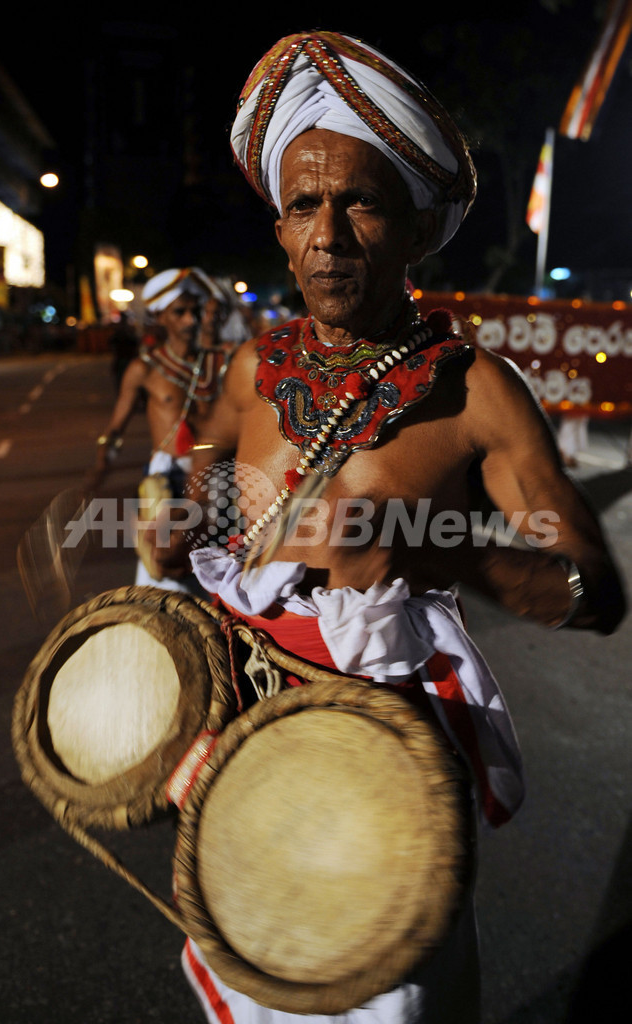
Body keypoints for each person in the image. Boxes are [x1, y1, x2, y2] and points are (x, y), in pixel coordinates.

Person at [150, 31, 625, 1023]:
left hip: (386, 779)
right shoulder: (252, 369)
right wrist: (185, 517)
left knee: (389, 998)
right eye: (301, 206)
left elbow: (596, 592)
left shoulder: (476, 395)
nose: (325, 236)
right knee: (255, 970)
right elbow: (214, 477)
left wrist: (433, 545)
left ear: (414, 230)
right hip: (242, 739)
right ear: (278, 231)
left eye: (359, 202)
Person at [93, 266, 230, 594]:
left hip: (213, 475)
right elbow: (115, 428)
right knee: (168, 568)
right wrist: (100, 466)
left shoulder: (219, 364)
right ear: (160, 316)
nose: (190, 319)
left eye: (194, 310)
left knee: (220, 565)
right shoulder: (144, 369)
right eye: (179, 312)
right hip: (168, 478)